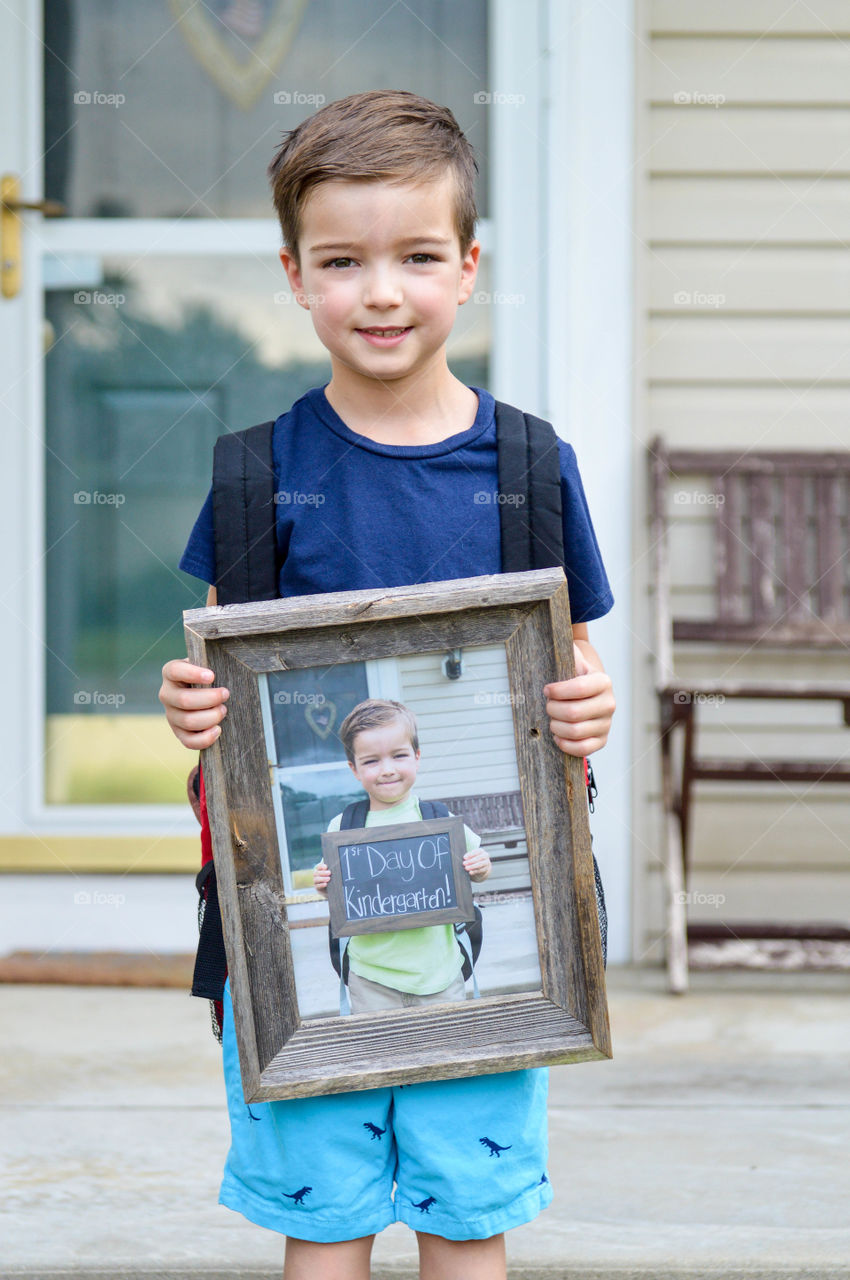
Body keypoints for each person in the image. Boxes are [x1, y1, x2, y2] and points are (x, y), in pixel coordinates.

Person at [159, 89, 615, 1280]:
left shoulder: (526, 466)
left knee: (469, 1220)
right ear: (296, 275)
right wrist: (189, 709)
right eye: (342, 260)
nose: (380, 290)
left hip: (493, 949)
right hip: (310, 972)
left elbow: (579, 670)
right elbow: (213, 688)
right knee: (327, 1224)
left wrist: (586, 705)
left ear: (468, 268)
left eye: (416, 256)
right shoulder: (258, 479)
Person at [315, 697, 491, 1012]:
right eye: (371, 761)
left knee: (445, 1055)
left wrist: (480, 866)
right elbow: (337, 893)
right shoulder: (344, 827)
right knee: (382, 1059)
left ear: (417, 757)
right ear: (354, 769)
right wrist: (324, 884)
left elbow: (477, 866)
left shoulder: (437, 819)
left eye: (399, 756)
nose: (387, 770)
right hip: (371, 979)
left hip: (439, 974)